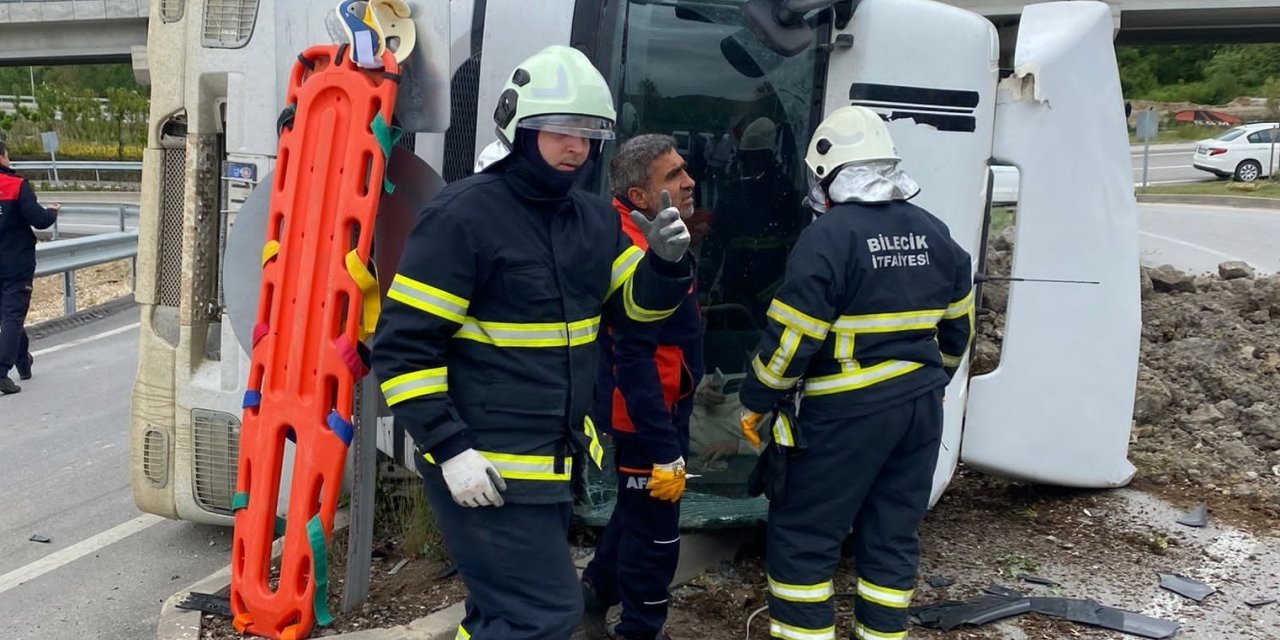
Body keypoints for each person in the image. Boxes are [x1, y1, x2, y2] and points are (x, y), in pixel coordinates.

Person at [371, 45, 694, 640]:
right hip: (484, 469)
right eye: (561, 132)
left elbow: (634, 312)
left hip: (551, 466)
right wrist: (451, 450)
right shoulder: (463, 217)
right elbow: (403, 347)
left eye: (590, 134)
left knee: (500, 614)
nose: (577, 148)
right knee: (545, 614)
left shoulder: (593, 220)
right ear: (521, 130)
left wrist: (666, 267)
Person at [736, 106, 975, 640]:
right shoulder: (934, 232)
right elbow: (960, 328)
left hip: (846, 415)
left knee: (804, 536)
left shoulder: (828, 238)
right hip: (918, 412)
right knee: (891, 538)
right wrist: (935, 382)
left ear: (825, 172)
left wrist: (757, 399)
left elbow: (791, 339)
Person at [580, 134, 703, 640]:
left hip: (656, 408)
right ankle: (641, 629)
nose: (689, 180)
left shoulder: (642, 233)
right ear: (639, 197)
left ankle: (590, 595)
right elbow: (633, 356)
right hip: (646, 416)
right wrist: (662, 447)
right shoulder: (633, 248)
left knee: (634, 514)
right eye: (673, 176)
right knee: (656, 537)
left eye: (684, 169)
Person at [0, 140, 59, 395]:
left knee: (11, 317)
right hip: (16, 263)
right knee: (13, 315)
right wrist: (53, 212)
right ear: (2, 156)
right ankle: (1, 371)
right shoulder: (16, 185)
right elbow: (39, 220)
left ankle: (23, 361)